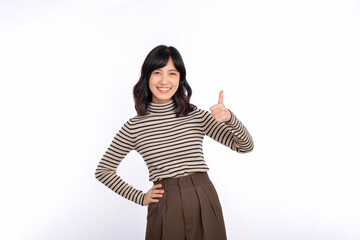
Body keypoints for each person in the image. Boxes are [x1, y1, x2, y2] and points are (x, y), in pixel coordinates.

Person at [95, 45, 254, 240]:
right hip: (165, 204)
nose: (164, 80)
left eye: (172, 73)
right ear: (147, 77)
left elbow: (245, 146)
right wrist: (140, 197)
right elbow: (103, 171)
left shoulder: (195, 115)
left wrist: (230, 119)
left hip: (203, 197)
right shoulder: (134, 127)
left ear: (180, 79)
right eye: (157, 72)